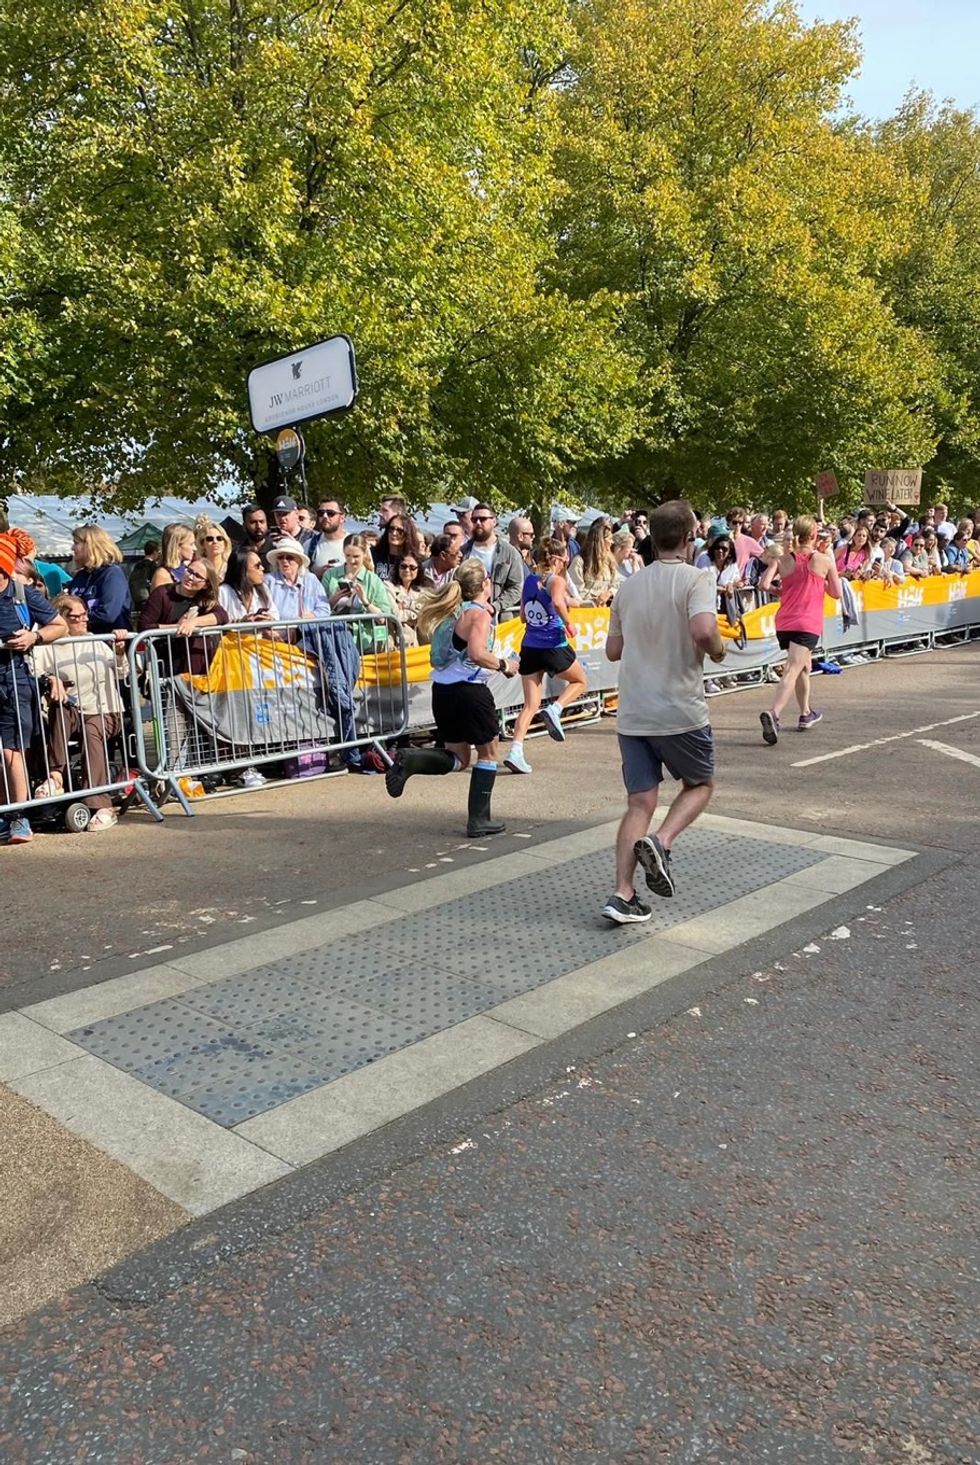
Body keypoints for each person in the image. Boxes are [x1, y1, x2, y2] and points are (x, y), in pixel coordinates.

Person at [602, 501, 726, 923]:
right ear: (691, 536)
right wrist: (718, 649)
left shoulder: (629, 587)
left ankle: (622, 894)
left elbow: (613, 650)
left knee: (639, 802)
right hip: (679, 709)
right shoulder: (697, 579)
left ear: (650, 539)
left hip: (633, 710)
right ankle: (664, 841)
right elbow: (703, 630)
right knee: (701, 783)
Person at [385, 559, 519, 834]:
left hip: (444, 691)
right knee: (489, 752)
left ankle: (410, 760)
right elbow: (476, 653)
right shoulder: (478, 615)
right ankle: (479, 820)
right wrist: (504, 665)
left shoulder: (454, 612)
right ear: (485, 585)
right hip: (468, 692)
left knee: (458, 758)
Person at [33, 594, 129, 830]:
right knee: (59, 703)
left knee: (90, 730)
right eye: (76, 617)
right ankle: (56, 776)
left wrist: (119, 652)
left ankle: (102, 805)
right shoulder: (47, 647)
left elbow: (123, 673)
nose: (84, 621)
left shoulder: (95, 640)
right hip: (71, 712)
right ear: (62, 619)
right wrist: (50, 679)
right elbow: (32, 669)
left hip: (105, 711)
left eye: (85, 615)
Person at [0, 532, 68, 844]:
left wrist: (33, 638)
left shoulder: (21, 593)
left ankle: (18, 816)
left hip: (14, 679)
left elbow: (60, 625)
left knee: (12, 749)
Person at [504, 538, 587, 775]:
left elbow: (522, 616)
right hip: (553, 644)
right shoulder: (557, 580)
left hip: (530, 646)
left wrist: (570, 603)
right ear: (561, 560)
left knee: (530, 705)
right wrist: (569, 623)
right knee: (580, 681)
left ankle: (515, 752)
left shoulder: (530, 580)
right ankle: (556, 709)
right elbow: (559, 601)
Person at [759, 515, 841, 746]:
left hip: (785, 621)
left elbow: (764, 585)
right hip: (807, 622)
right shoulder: (824, 560)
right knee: (792, 669)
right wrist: (819, 583)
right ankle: (774, 714)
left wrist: (783, 592)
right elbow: (836, 593)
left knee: (804, 666)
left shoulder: (783, 559)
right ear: (814, 535)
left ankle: (806, 713)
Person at [139, 559, 229, 674]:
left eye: (197, 576)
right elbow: (144, 626)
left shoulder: (204, 599)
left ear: (206, 584)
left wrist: (193, 622)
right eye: (189, 571)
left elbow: (222, 616)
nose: (190, 577)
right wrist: (177, 627)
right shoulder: (162, 594)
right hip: (166, 663)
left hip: (196, 666)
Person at [322, 534, 394, 651]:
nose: (351, 560)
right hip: (335, 638)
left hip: (366, 641)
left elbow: (384, 618)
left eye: (356, 556)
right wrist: (333, 600)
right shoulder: (330, 575)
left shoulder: (374, 580)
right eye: (348, 555)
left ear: (365, 554)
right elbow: (319, 610)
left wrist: (366, 602)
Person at [462, 504, 525, 619]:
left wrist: (495, 606)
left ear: (494, 521)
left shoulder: (509, 553)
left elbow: (516, 587)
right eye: (474, 519)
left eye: (483, 519)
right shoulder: (463, 552)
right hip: (465, 616)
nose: (478, 523)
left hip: (497, 618)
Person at [68, 526, 133, 633]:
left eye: (76, 543)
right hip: (84, 642)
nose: (72, 548)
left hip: (110, 643)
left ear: (90, 545)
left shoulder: (112, 574)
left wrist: (75, 619)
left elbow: (108, 614)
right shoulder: (80, 576)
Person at [266, 535, 331, 622]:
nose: (284, 561)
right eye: (280, 557)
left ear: (299, 561)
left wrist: (313, 615)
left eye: (289, 557)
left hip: (306, 632)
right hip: (277, 633)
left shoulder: (311, 580)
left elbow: (325, 609)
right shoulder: (268, 581)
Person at [219, 545, 278, 626]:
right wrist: (241, 623)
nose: (262, 568)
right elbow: (219, 622)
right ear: (243, 570)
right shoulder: (223, 592)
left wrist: (269, 619)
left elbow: (275, 615)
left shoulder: (263, 589)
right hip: (232, 638)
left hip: (260, 637)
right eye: (257, 566)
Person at [567, 518, 618, 607]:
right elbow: (575, 592)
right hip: (584, 615)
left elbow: (616, 584)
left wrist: (609, 593)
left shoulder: (610, 561)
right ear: (601, 541)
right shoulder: (580, 562)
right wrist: (596, 598)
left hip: (604, 614)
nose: (612, 542)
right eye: (610, 539)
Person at [371, 514, 426, 584]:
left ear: (407, 534)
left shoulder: (414, 561)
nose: (394, 533)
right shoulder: (373, 554)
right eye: (391, 529)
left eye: (400, 531)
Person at [387, 552, 426, 646]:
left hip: (414, 645)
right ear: (397, 568)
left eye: (412, 567)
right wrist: (413, 613)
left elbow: (423, 616)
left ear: (418, 570)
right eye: (403, 566)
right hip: (395, 644)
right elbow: (394, 615)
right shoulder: (388, 587)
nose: (407, 570)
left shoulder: (421, 592)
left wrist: (405, 608)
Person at [150, 523, 196, 591]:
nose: (195, 548)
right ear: (177, 547)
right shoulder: (162, 575)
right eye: (191, 544)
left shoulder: (186, 569)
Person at [310, 498, 347, 573]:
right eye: (321, 513)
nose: (325, 516)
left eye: (330, 513)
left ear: (342, 518)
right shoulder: (309, 545)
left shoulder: (356, 543)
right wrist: (318, 574)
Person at [128, 541, 160, 618]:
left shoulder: (138, 565)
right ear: (154, 552)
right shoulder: (152, 566)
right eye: (158, 552)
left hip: (137, 598)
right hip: (148, 598)